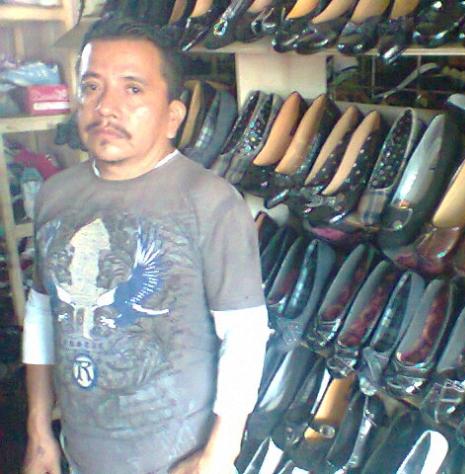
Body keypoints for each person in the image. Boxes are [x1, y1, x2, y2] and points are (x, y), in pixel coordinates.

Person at [22, 15, 270, 474]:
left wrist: (220, 455)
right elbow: (43, 310)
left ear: (173, 116)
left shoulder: (211, 202)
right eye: (92, 87)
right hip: (80, 454)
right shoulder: (56, 194)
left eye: (132, 89)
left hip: (178, 461)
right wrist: (39, 430)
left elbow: (245, 335)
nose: (106, 107)